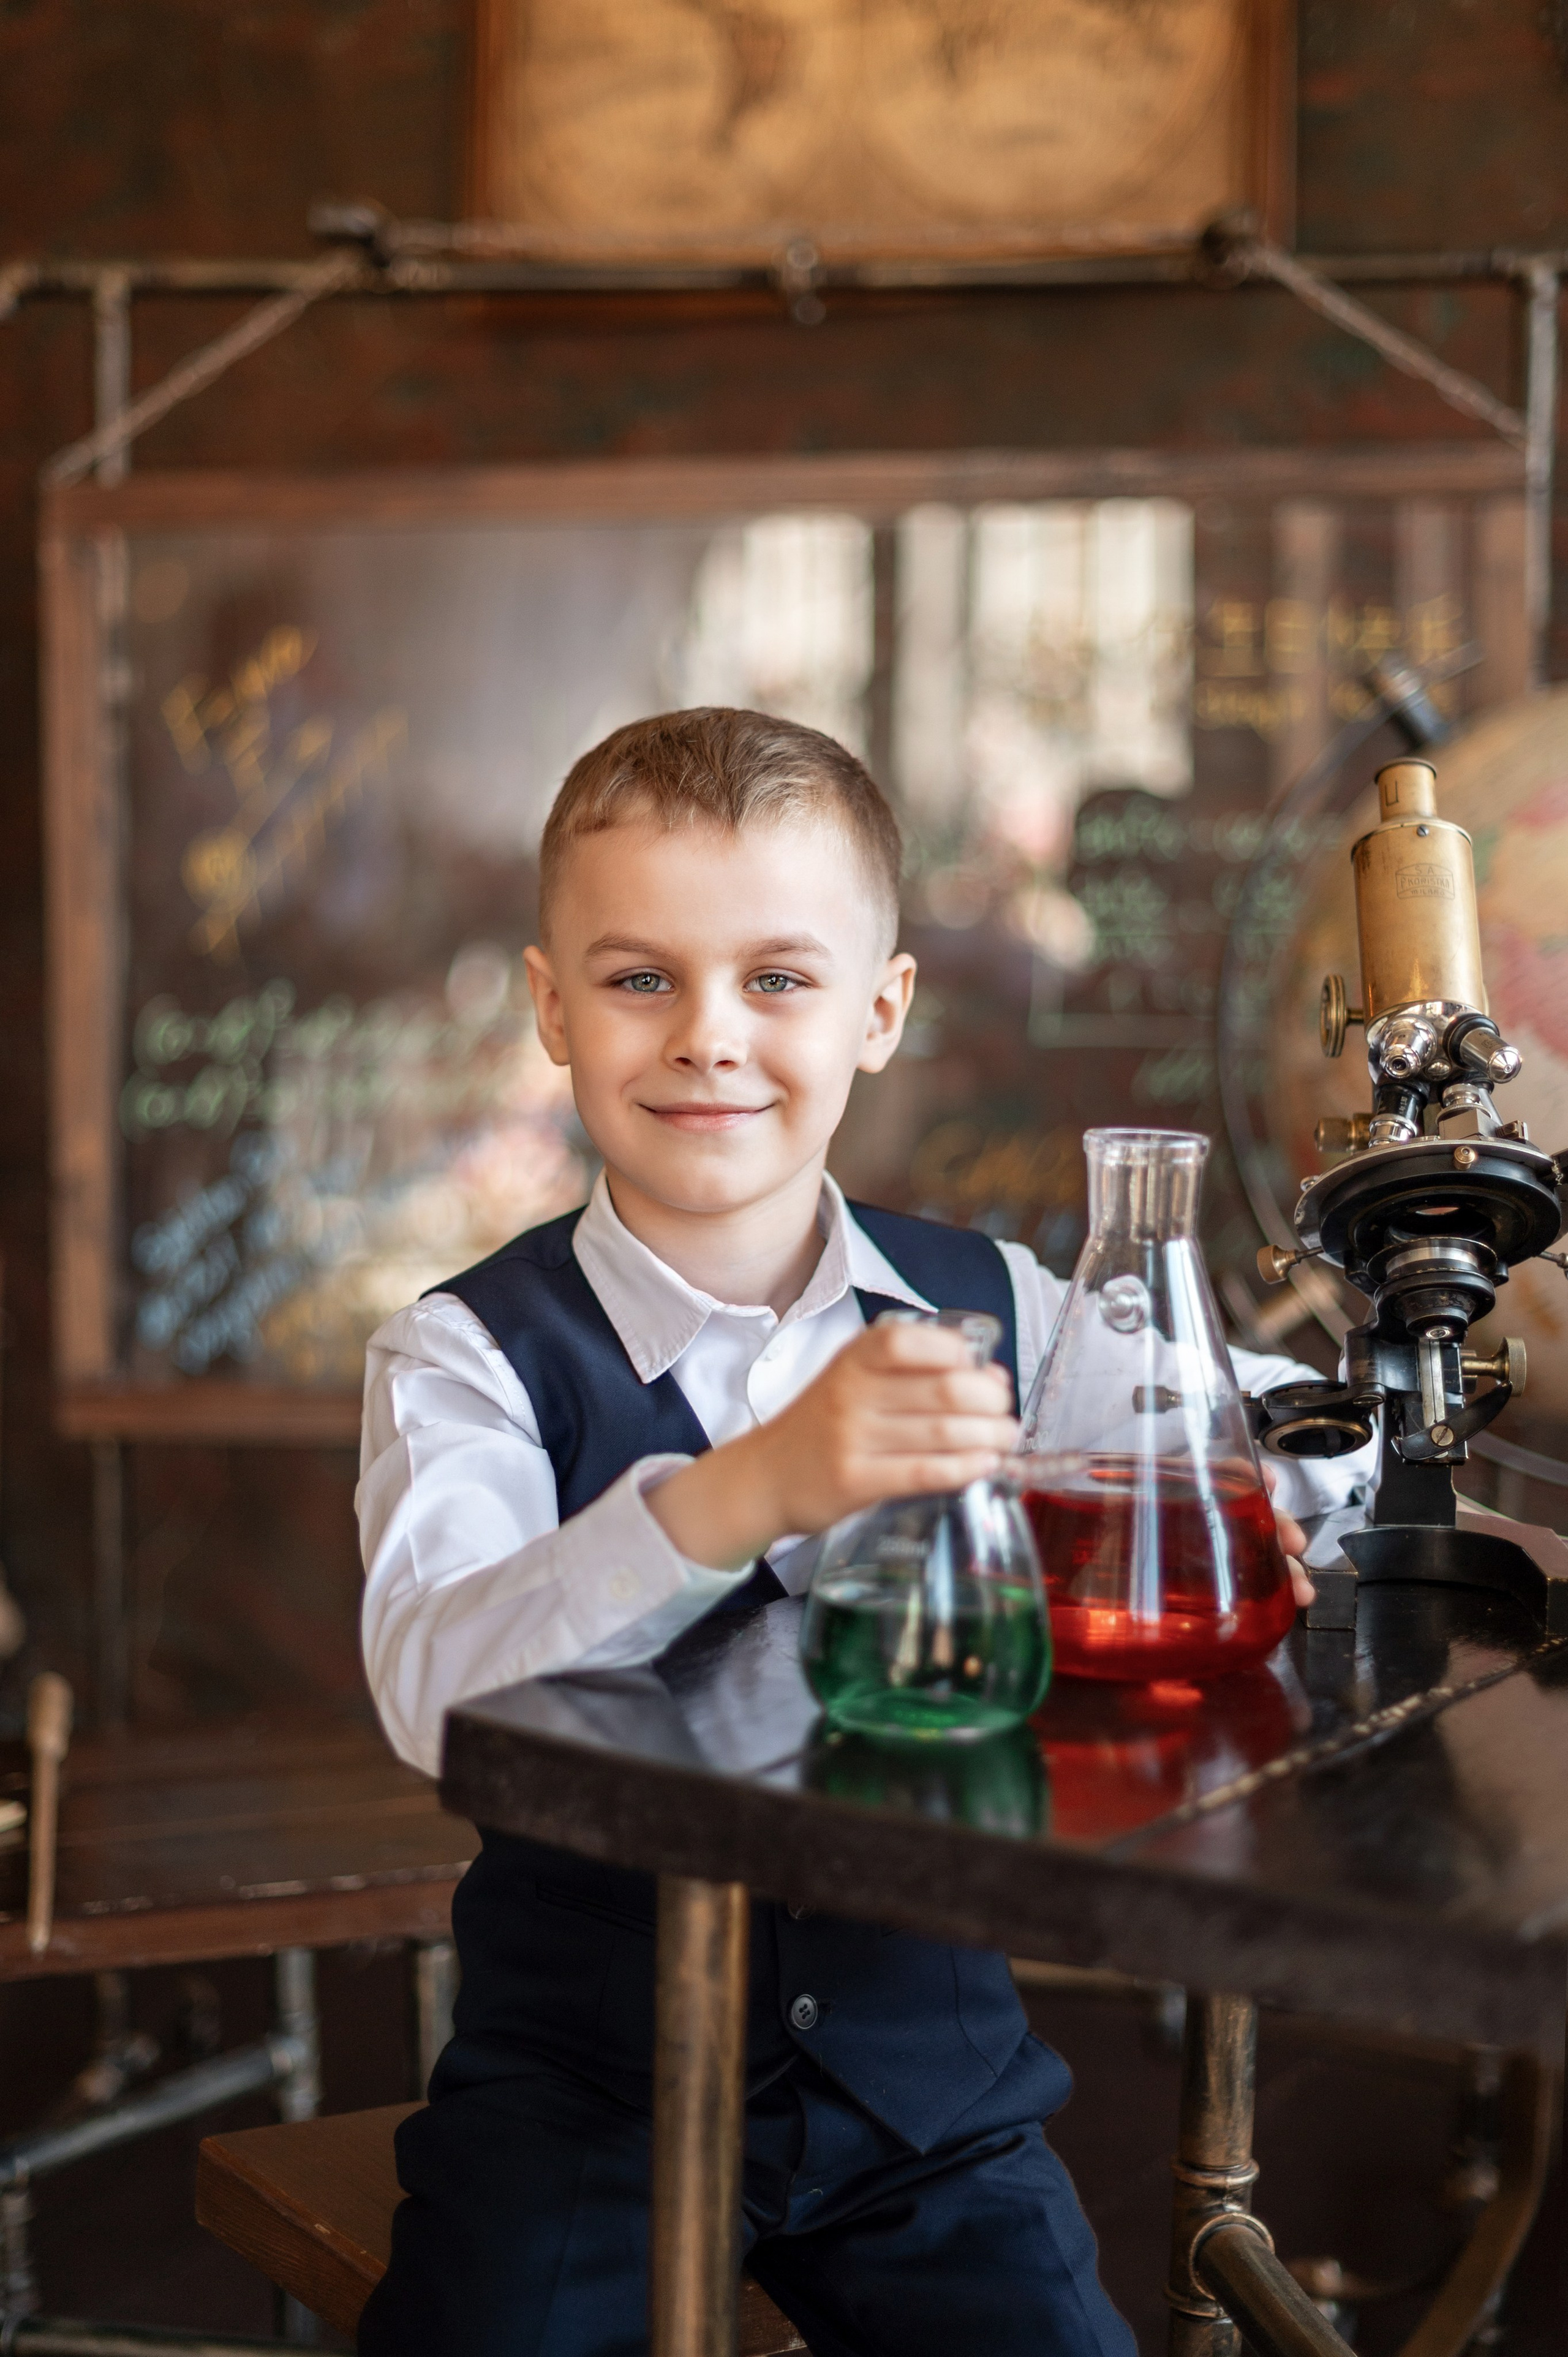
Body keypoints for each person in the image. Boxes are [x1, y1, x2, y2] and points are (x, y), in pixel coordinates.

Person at [357, 708, 1371, 2357]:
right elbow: (432, 1686)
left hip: (934, 2104)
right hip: (586, 2101)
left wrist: (1284, 1483)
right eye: (639, 980)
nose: (708, 1038)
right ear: (551, 1006)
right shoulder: (469, 1353)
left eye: (778, 979)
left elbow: (1266, 1423)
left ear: (880, 1010)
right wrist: (741, 1494)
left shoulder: (1006, 1305)